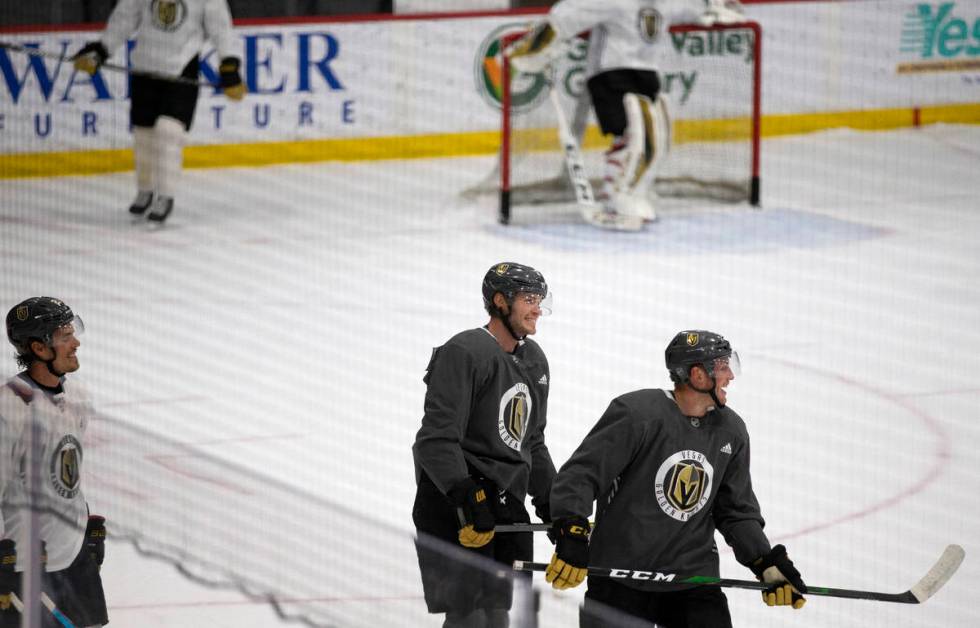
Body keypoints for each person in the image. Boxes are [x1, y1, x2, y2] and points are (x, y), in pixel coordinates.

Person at [544, 330, 806, 628]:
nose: (730, 375)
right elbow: (581, 475)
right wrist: (572, 530)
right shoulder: (637, 414)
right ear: (697, 375)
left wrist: (764, 561)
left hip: (692, 581)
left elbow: (736, 510)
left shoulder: (731, 430)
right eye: (722, 366)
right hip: (620, 578)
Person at [507, 0, 745, 231]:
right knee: (634, 133)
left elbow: (695, 7)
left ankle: (630, 190)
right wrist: (532, 47)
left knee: (658, 134)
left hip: (648, 73)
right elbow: (565, 17)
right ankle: (620, 194)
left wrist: (714, 6)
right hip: (610, 73)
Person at [412, 262, 559, 628]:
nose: (537, 308)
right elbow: (435, 440)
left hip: (507, 504)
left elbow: (533, 442)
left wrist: (556, 504)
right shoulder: (465, 351)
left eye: (539, 299)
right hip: (457, 504)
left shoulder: (534, 359)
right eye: (528, 299)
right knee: (471, 617)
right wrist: (467, 496)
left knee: (498, 617)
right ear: (499, 301)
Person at [72, 0, 246, 224]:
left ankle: (165, 195)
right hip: (145, 67)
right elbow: (125, 16)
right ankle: (145, 190)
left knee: (169, 131)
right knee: (143, 134)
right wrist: (102, 49)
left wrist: (229, 65)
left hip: (181, 68)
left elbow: (221, 27)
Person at [0, 298, 107, 627]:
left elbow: (67, 470)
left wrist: (84, 524)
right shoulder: (10, 408)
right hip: (23, 566)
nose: (75, 343)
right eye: (64, 337)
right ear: (39, 348)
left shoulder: (78, 397)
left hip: (71, 558)